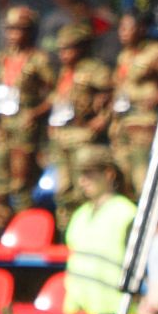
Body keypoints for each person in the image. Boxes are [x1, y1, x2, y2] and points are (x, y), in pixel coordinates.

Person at [48, 24, 114, 221]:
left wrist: (103, 118)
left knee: (82, 188)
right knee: (63, 190)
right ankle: (65, 232)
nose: (64, 54)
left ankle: (86, 225)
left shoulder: (94, 69)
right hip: (61, 138)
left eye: (69, 48)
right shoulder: (63, 72)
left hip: (82, 137)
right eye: (61, 50)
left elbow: (112, 95)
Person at [61, 147, 136, 314]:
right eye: (80, 175)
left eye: (89, 174)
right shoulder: (80, 215)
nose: (82, 181)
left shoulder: (127, 213)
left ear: (109, 174)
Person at [0, 6, 55, 216]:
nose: (13, 35)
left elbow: (55, 92)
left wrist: (36, 112)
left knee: (21, 183)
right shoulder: (2, 57)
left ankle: (25, 227)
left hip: (25, 127)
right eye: (9, 29)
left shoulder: (39, 59)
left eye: (18, 29)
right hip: (3, 125)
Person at [110, 13, 158, 196]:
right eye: (121, 28)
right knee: (122, 175)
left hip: (143, 120)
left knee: (141, 176)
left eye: (128, 28)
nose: (123, 33)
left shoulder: (157, 52)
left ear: (141, 29)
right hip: (121, 121)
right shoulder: (124, 55)